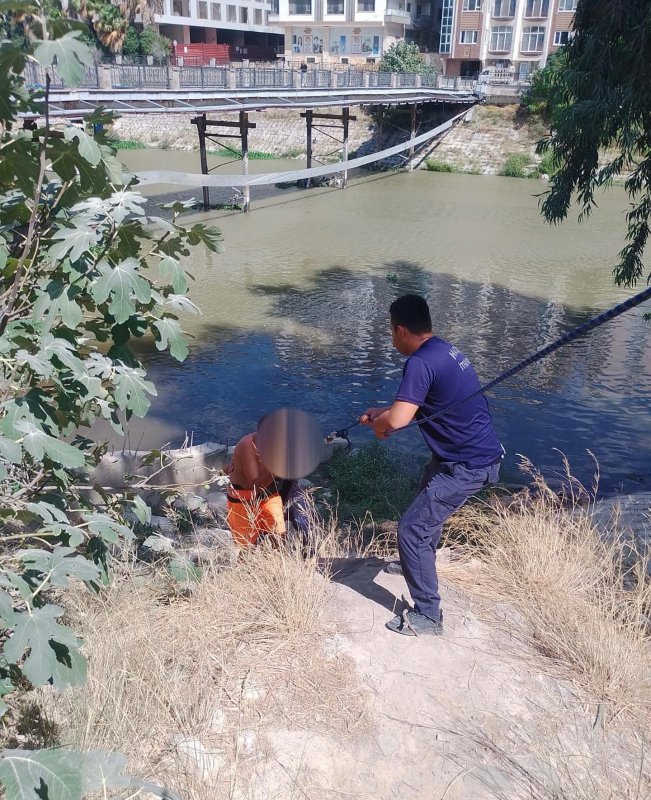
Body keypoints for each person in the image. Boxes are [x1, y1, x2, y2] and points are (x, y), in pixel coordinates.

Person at [361, 294, 503, 637]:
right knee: (427, 498)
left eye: (391, 332)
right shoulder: (443, 350)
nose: (392, 338)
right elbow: (410, 409)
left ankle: (428, 615)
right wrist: (383, 415)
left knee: (411, 528)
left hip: (467, 465)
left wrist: (380, 425)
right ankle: (417, 563)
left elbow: (395, 423)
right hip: (470, 457)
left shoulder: (419, 363)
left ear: (400, 330)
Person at [226, 425, 309, 548]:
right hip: (244, 501)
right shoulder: (248, 446)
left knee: (279, 538)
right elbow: (255, 486)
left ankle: (280, 560)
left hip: (270, 496)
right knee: (245, 546)